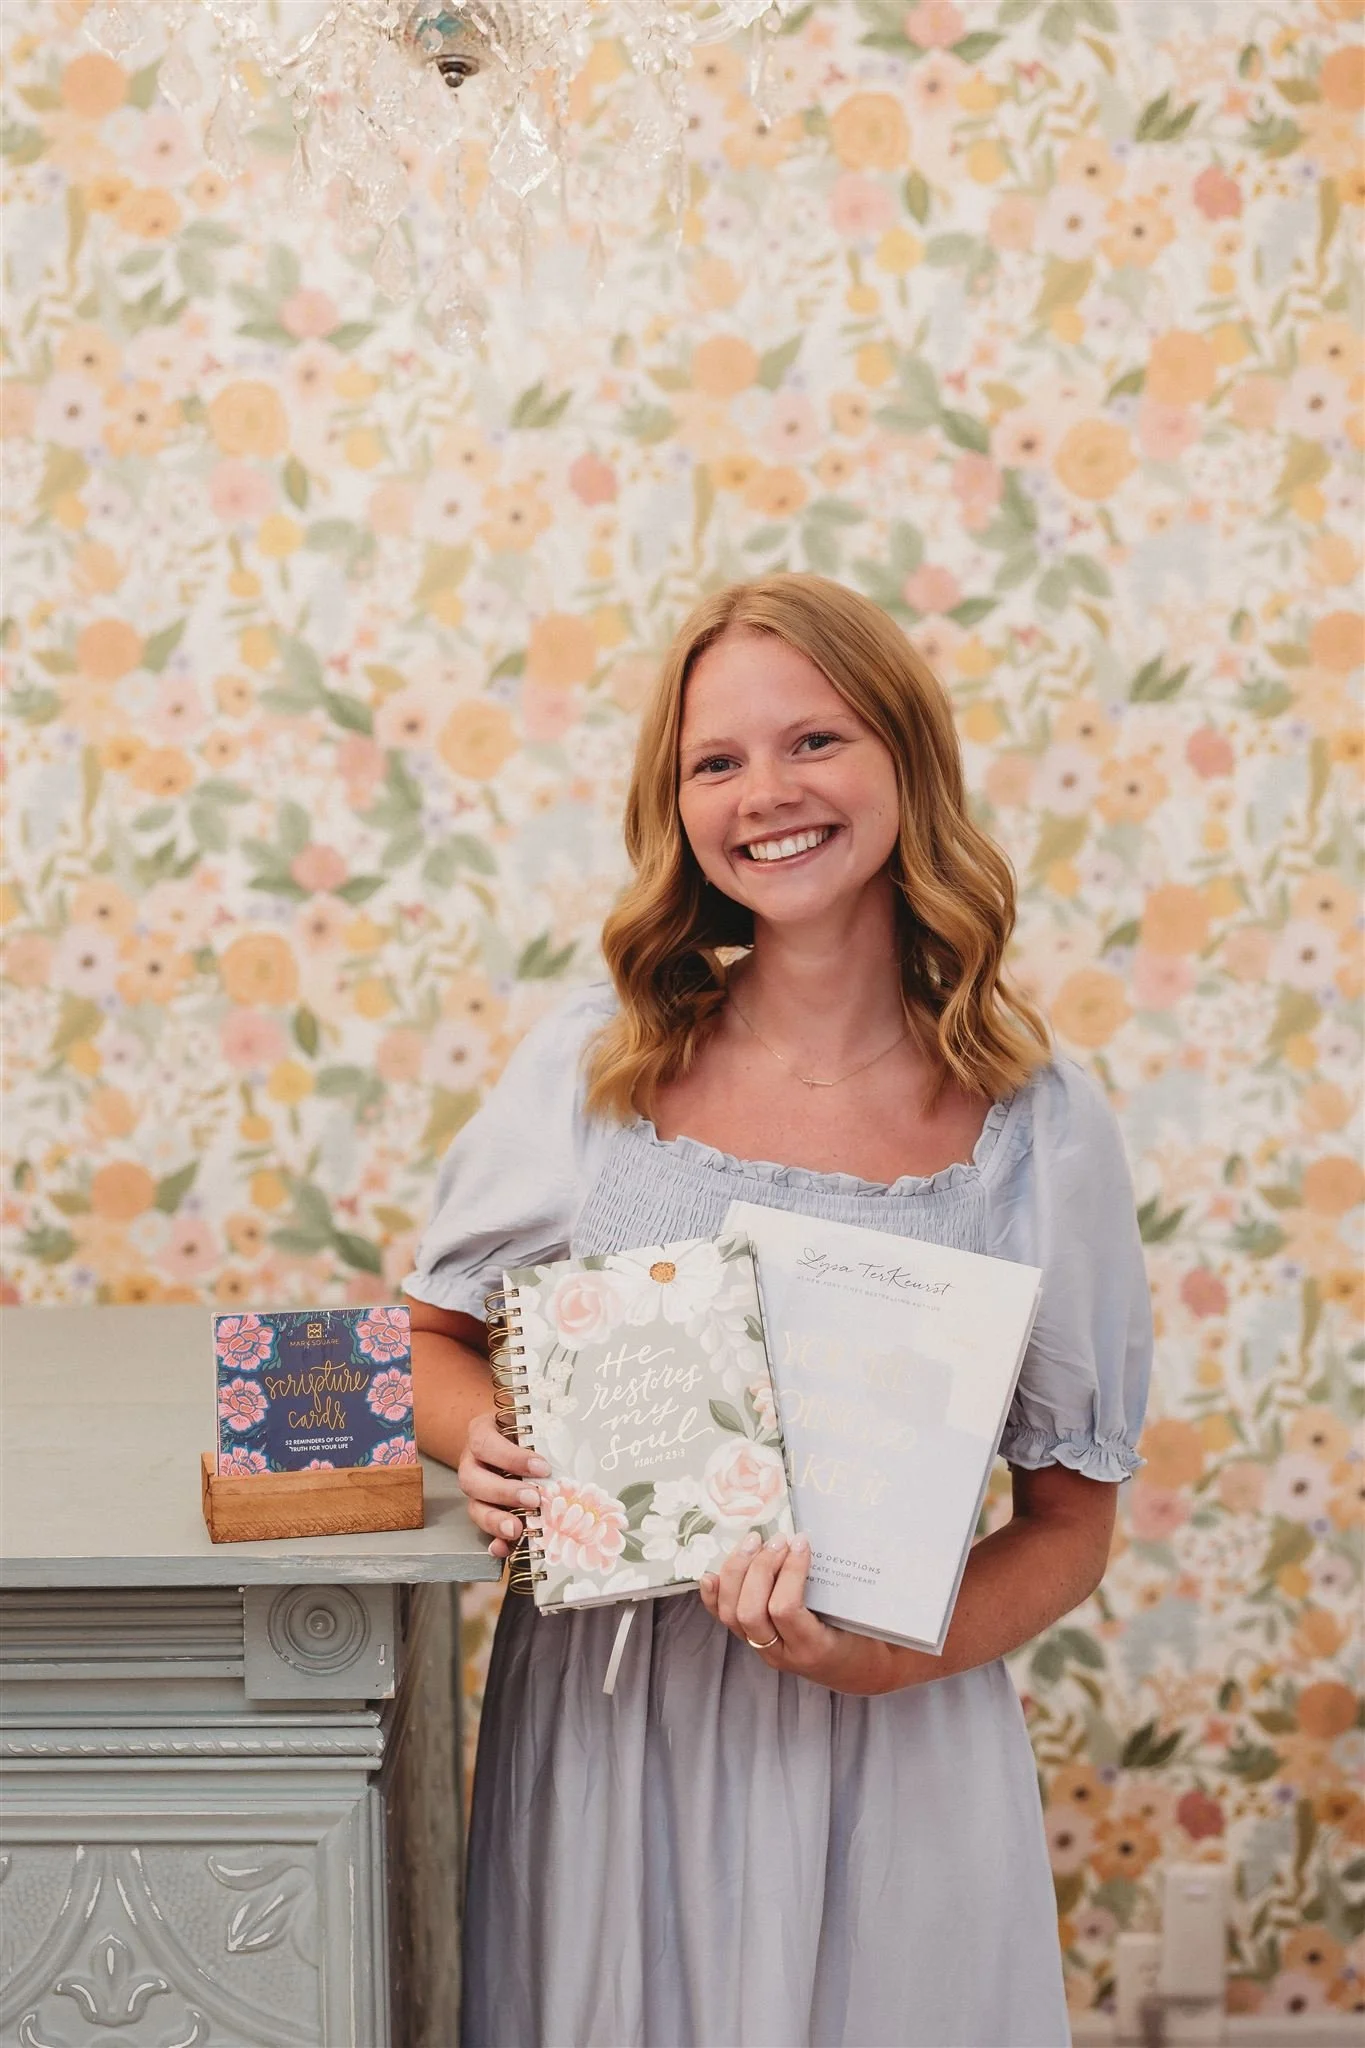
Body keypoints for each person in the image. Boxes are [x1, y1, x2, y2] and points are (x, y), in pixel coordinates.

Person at [404, 573, 1152, 2048]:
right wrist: (482, 1436)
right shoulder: (595, 1072)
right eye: (717, 761)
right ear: (675, 803)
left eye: (816, 741)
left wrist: (886, 1658)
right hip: (615, 1739)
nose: (768, 793)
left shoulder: (1038, 1130)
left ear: (904, 762)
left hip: (897, 1745)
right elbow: (431, 1342)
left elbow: (1072, 1520)